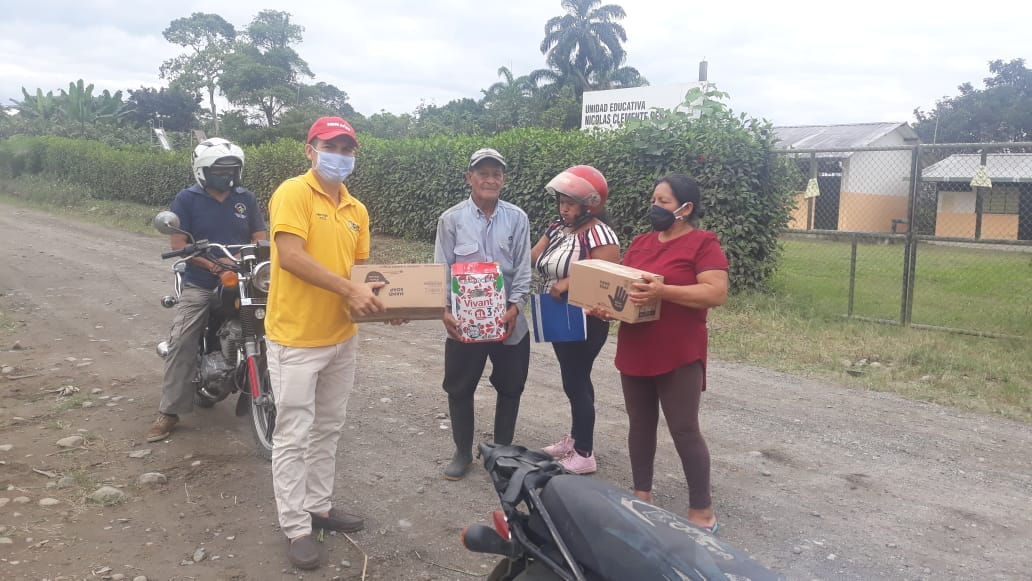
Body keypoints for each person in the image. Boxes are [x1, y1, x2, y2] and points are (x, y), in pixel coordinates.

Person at [265, 117, 386, 570]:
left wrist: (386, 306)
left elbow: (361, 276)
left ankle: (318, 507)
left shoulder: (356, 209)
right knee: (293, 434)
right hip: (296, 338)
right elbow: (290, 257)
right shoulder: (293, 192)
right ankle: (296, 527)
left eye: (347, 148)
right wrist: (350, 290)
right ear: (310, 149)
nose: (340, 154)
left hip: (341, 337)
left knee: (329, 427)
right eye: (330, 146)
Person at [590, 173, 728, 532]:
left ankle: (702, 510)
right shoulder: (641, 243)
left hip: (678, 351)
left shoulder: (703, 243)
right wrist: (606, 307)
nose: (656, 207)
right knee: (640, 424)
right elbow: (624, 290)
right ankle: (642, 495)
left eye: (664, 202)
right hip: (636, 346)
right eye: (654, 200)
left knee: (684, 428)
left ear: (686, 208)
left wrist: (663, 292)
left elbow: (715, 292)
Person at [147, 138, 266, 443]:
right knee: (182, 339)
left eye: (232, 170)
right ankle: (169, 411)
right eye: (219, 170)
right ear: (202, 171)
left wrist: (239, 258)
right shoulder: (187, 199)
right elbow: (179, 245)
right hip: (201, 281)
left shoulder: (245, 198)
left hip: (243, 277)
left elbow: (259, 238)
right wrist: (216, 266)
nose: (226, 175)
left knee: (278, 325)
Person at [434, 148, 532, 481]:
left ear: (503, 180)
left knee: (511, 386)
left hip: (508, 320)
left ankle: (502, 454)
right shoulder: (451, 220)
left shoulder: (517, 218)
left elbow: (523, 267)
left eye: (496, 174)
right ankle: (462, 452)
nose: (490, 180)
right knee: (459, 387)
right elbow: (441, 268)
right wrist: (444, 310)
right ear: (470, 178)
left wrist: (515, 306)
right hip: (465, 322)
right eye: (483, 173)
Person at [531, 165, 620, 474]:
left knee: (576, 379)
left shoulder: (600, 233)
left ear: (590, 205)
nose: (563, 208)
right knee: (573, 378)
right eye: (561, 202)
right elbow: (534, 257)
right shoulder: (557, 228)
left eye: (570, 203)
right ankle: (577, 439)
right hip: (557, 311)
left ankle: (584, 453)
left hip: (585, 317)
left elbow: (606, 275)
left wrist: (567, 283)